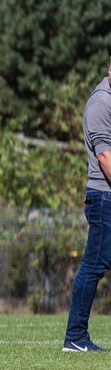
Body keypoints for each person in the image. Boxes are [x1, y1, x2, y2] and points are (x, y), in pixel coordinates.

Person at [64, 55, 111, 352]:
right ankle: (75, 337)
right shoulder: (101, 104)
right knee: (93, 266)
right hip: (104, 197)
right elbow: (106, 159)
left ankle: (76, 336)